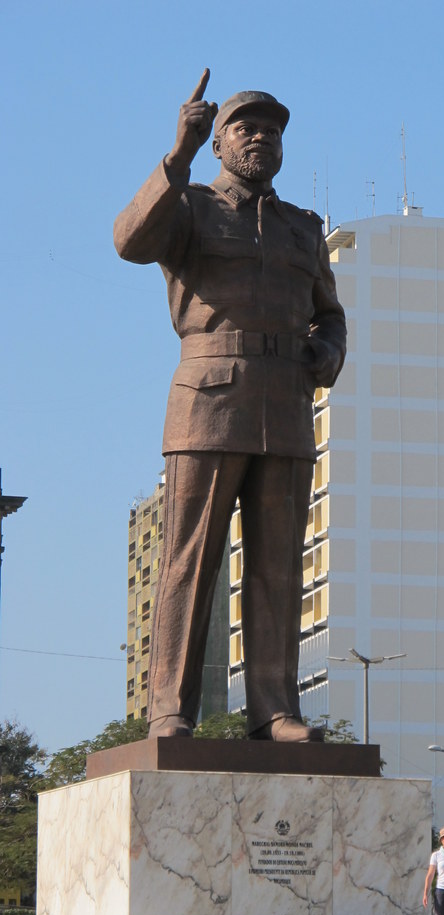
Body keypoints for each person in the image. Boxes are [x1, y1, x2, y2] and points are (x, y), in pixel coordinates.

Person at [114, 70, 346, 742]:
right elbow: (129, 241)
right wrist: (177, 154)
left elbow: (330, 312)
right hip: (208, 400)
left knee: (279, 566)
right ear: (218, 143)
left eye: (273, 130)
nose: (262, 138)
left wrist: (328, 349)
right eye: (246, 128)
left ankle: (274, 710)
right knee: (191, 559)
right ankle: (169, 709)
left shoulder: (303, 229)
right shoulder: (187, 205)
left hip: (286, 403)